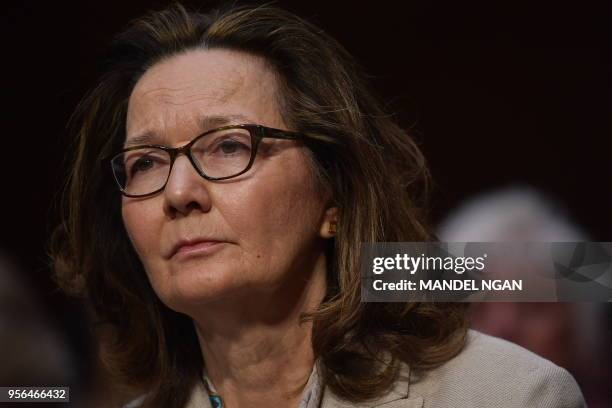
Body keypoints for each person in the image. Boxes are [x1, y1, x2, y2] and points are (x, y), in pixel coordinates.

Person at [50, 3, 586, 408]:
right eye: (145, 161)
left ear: (332, 193)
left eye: (230, 146)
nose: (177, 192)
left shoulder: (510, 395)